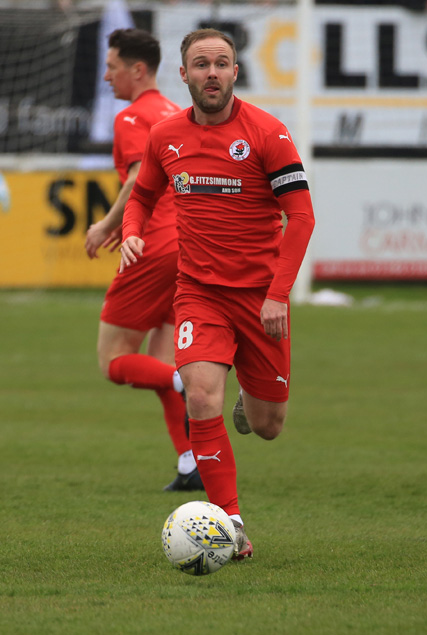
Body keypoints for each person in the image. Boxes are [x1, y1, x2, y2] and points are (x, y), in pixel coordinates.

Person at [119, 28, 316, 561]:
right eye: (201, 64)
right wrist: (132, 229)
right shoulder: (165, 136)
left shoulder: (267, 134)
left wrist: (278, 294)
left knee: (270, 426)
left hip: (260, 300)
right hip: (199, 293)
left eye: (222, 63)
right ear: (183, 74)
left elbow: (301, 216)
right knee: (200, 396)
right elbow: (142, 195)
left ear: (235, 72)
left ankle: (251, 407)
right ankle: (230, 524)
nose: (212, 73)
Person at [85, 28, 201, 493]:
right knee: (156, 360)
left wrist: (108, 226)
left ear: (138, 70)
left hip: (151, 248)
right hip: (189, 247)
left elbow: (136, 180)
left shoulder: (135, 116)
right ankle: (191, 463)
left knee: (114, 360)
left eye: (112, 67)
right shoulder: (178, 114)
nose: (107, 76)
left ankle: (185, 379)